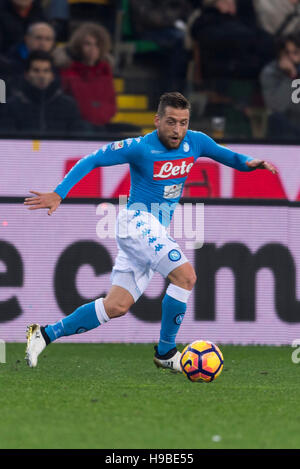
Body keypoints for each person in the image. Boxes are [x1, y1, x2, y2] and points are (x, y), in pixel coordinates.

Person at [24, 91, 277, 370]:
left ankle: (45, 334)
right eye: (171, 121)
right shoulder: (140, 147)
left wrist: (251, 163)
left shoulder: (197, 141)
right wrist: (60, 193)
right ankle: (166, 352)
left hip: (154, 228)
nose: (177, 129)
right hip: (137, 222)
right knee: (186, 277)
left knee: (117, 306)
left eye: (183, 122)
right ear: (157, 120)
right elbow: (92, 159)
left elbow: (229, 157)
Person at [0, 50, 87, 134]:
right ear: (26, 75)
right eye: (36, 70)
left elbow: (78, 138)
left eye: (46, 71)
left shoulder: (68, 105)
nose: (41, 76)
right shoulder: (12, 106)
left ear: (52, 75)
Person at [55, 22, 117, 129]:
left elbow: (111, 101)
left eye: (97, 44)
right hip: (77, 124)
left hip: (102, 122)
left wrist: (102, 116)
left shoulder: (105, 70)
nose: (92, 48)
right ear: (79, 46)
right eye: (88, 44)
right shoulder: (68, 69)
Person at [260, 33, 300, 139]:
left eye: (295, 52)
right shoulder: (270, 72)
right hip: (285, 132)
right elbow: (276, 106)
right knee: (276, 118)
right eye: (287, 52)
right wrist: (291, 76)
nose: (291, 57)